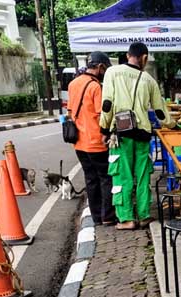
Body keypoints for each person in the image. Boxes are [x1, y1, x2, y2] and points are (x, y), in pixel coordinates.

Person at [100, 42, 174, 230]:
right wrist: (173, 125)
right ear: (145, 58)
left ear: (127, 55)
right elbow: (160, 111)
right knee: (142, 177)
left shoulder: (112, 72)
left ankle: (126, 219)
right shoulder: (149, 80)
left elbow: (107, 105)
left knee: (122, 176)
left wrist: (104, 129)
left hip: (121, 135)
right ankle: (143, 215)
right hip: (143, 135)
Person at [67, 52, 115, 226]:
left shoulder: (73, 84)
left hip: (79, 143)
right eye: (105, 69)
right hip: (96, 142)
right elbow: (101, 115)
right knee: (106, 178)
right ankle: (108, 216)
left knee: (90, 179)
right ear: (100, 67)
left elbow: (70, 112)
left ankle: (96, 217)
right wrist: (108, 132)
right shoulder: (95, 87)